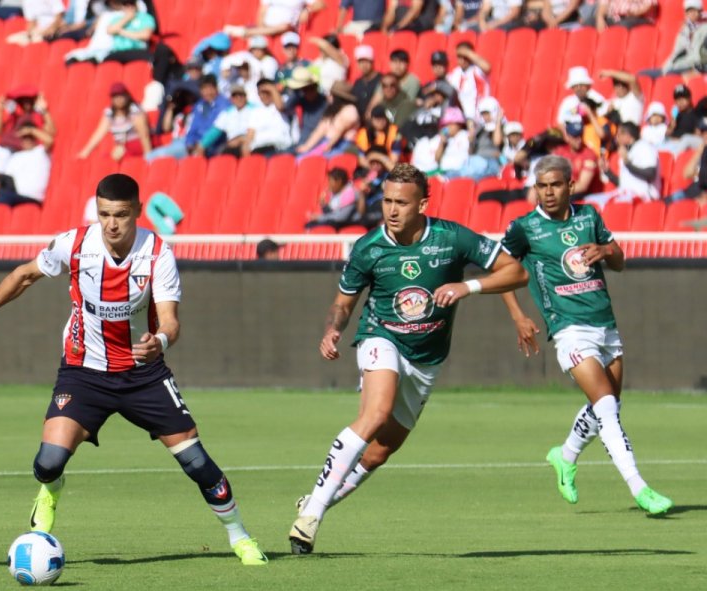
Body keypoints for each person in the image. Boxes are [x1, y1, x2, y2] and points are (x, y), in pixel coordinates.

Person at [0, 173, 269, 566]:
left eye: (121, 215)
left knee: (197, 463)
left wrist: (159, 342)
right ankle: (50, 491)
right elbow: (24, 275)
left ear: (137, 212)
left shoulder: (158, 254)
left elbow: (170, 321)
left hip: (142, 376)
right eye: (104, 214)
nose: (112, 224)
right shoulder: (76, 244)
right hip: (83, 371)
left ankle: (240, 537)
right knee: (48, 463)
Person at [288, 163, 529, 554]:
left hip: (427, 358)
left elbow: (516, 273)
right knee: (375, 413)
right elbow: (342, 304)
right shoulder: (368, 247)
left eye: (401, 202)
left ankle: (317, 499)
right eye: (386, 201)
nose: (392, 210)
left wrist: (467, 286)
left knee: (381, 450)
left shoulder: (452, 238)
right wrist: (334, 328)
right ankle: (312, 516)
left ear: (423, 204)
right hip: (380, 338)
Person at [498, 155, 672, 515]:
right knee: (607, 408)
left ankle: (564, 456)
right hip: (568, 329)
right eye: (541, 186)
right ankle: (640, 488)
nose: (547, 192)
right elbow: (500, 269)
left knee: (607, 403)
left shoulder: (589, 216)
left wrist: (607, 249)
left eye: (555, 185)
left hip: (605, 325)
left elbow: (619, 261)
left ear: (570, 186)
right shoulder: (525, 227)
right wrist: (518, 316)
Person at [147, 74, 229, 159]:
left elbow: (215, 129)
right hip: (192, 144)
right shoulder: (200, 104)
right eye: (204, 88)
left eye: (209, 88)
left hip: (212, 146)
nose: (207, 92)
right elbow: (193, 127)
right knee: (151, 156)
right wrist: (190, 143)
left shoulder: (224, 105)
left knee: (153, 157)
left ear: (216, 88)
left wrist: (201, 144)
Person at [586, 122, 660, 205]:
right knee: (589, 201)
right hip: (627, 194)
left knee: (610, 204)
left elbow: (651, 174)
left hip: (645, 197)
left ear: (627, 136)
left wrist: (627, 163)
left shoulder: (645, 147)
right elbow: (624, 184)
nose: (616, 137)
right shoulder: (627, 152)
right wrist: (607, 171)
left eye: (619, 134)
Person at [78, 82, 151, 159]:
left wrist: (148, 155)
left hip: (136, 144)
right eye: (115, 96)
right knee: (106, 159)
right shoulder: (109, 113)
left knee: (117, 155)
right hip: (121, 147)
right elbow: (99, 133)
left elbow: (144, 134)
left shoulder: (135, 110)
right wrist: (86, 152)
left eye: (121, 95)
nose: (118, 99)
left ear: (126, 96)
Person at [0, 88, 56, 152]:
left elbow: (52, 133)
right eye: (23, 100)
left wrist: (45, 111)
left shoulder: (37, 117)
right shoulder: (15, 117)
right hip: (4, 149)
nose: (26, 103)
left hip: (21, 152)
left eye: (29, 100)